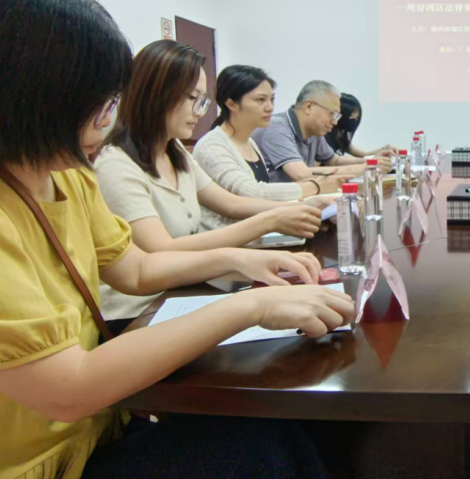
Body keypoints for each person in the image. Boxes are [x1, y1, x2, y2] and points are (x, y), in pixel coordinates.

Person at [0, 0, 354, 479]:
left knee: (272, 437)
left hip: (95, 432)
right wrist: (252, 305)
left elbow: (136, 267)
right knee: (259, 458)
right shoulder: (82, 173)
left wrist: (242, 262)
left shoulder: (68, 177)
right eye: (99, 101)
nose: (106, 118)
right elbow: (66, 389)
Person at [95, 42, 328, 322]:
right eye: (193, 99)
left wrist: (299, 207)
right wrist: (270, 220)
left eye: (203, 101)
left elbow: (230, 202)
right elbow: (162, 250)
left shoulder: (175, 151)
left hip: (183, 289)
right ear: (155, 94)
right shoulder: (115, 165)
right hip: (138, 311)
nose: (200, 111)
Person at [194, 65, 347, 230]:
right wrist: (314, 187)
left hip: (257, 234)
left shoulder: (250, 143)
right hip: (226, 239)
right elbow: (252, 192)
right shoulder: (212, 145)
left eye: (271, 99)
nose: (270, 107)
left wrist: (309, 203)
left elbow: (260, 199)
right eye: (260, 100)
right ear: (232, 104)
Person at [253, 81, 391, 185]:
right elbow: (302, 174)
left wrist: (372, 161)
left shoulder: (314, 132)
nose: (335, 122)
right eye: (332, 114)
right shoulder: (276, 128)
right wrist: (366, 168)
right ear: (309, 106)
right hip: (274, 206)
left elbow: (334, 160)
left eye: (337, 116)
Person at [323, 93, 399, 159]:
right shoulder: (324, 137)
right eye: (352, 117)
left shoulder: (342, 138)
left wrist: (385, 148)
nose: (354, 121)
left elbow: (365, 154)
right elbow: (335, 162)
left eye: (357, 117)